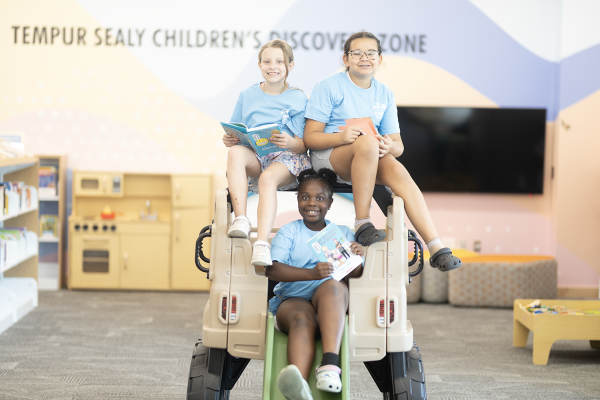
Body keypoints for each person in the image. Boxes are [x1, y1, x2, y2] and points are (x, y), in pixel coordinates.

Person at [303, 31, 461, 271]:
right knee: (367, 143)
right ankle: (362, 223)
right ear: (346, 59)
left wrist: (390, 146)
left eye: (371, 53)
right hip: (329, 159)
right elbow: (310, 138)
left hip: (366, 157)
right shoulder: (328, 86)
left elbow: (398, 145)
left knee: (395, 166)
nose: (364, 58)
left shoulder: (385, 93)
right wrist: (341, 137)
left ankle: (436, 246)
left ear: (379, 59)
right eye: (356, 53)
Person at [266, 168, 364, 400]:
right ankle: (298, 388)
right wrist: (311, 274)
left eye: (320, 198)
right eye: (305, 197)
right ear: (298, 200)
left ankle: (329, 367)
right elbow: (272, 269)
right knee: (302, 318)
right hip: (292, 303)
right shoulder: (289, 231)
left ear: (329, 203)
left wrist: (358, 257)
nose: (312, 203)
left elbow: (355, 273)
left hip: (330, 307)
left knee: (333, 286)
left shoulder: (342, 233)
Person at [223, 39, 311, 266]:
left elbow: (304, 145)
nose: (273, 66)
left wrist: (290, 142)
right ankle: (240, 219)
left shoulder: (298, 97)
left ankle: (262, 244)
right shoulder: (247, 94)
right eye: (267, 61)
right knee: (234, 154)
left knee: (267, 177)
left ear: (290, 65)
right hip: (258, 154)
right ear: (259, 65)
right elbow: (237, 130)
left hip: (288, 159)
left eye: (279, 61)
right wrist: (230, 139)